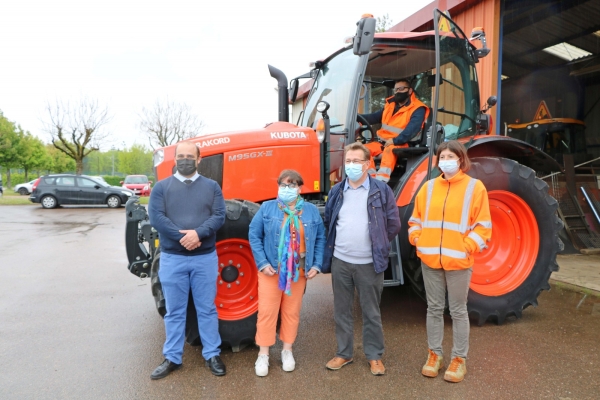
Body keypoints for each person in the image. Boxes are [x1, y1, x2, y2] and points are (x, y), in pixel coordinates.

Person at [408, 140, 492, 383]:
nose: (445, 160)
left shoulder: (475, 188)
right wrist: (417, 239)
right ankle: (435, 354)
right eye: (441, 156)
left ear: (460, 160)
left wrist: (467, 247)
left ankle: (459, 359)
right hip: (431, 259)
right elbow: (416, 220)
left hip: (459, 260)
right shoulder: (428, 188)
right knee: (433, 308)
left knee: (457, 310)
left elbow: (483, 225)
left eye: (450, 156)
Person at [147, 141, 227, 380]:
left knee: (207, 309)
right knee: (174, 311)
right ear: (174, 159)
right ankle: (172, 357)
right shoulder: (162, 188)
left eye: (189, 156)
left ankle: (212, 354)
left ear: (199, 159)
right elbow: (157, 218)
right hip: (173, 259)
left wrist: (198, 234)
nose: (184, 160)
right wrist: (183, 237)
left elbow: (219, 215)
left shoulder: (212, 187)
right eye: (180, 156)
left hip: (204, 259)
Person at [323, 142, 401, 376]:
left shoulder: (380, 190)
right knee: (342, 311)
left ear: (368, 164)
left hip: (369, 263)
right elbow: (330, 221)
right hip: (341, 262)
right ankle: (344, 353)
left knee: (371, 311)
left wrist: (377, 243)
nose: (352, 165)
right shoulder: (337, 191)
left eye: (357, 161)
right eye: (348, 161)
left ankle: (375, 356)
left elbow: (393, 223)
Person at [248, 169, 326, 377]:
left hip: (297, 271)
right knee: (267, 312)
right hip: (271, 271)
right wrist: (262, 263)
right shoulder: (267, 208)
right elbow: (254, 235)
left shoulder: (310, 211)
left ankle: (287, 350)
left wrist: (316, 264)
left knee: (291, 312)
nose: (287, 189)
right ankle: (263, 353)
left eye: (292, 185)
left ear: (300, 188)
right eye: (283, 185)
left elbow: (319, 239)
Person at [360, 78, 429, 182]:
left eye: (401, 89)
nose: (397, 92)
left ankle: (381, 182)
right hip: (383, 143)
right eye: (396, 89)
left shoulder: (418, 108)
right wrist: (356, 117)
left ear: (410, 91)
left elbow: (412, 130)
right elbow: (374, 117)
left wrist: (394, 141)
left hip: (403, 143)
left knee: (389, 150)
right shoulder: (390, 105)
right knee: (361, 150)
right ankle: (370, 179)